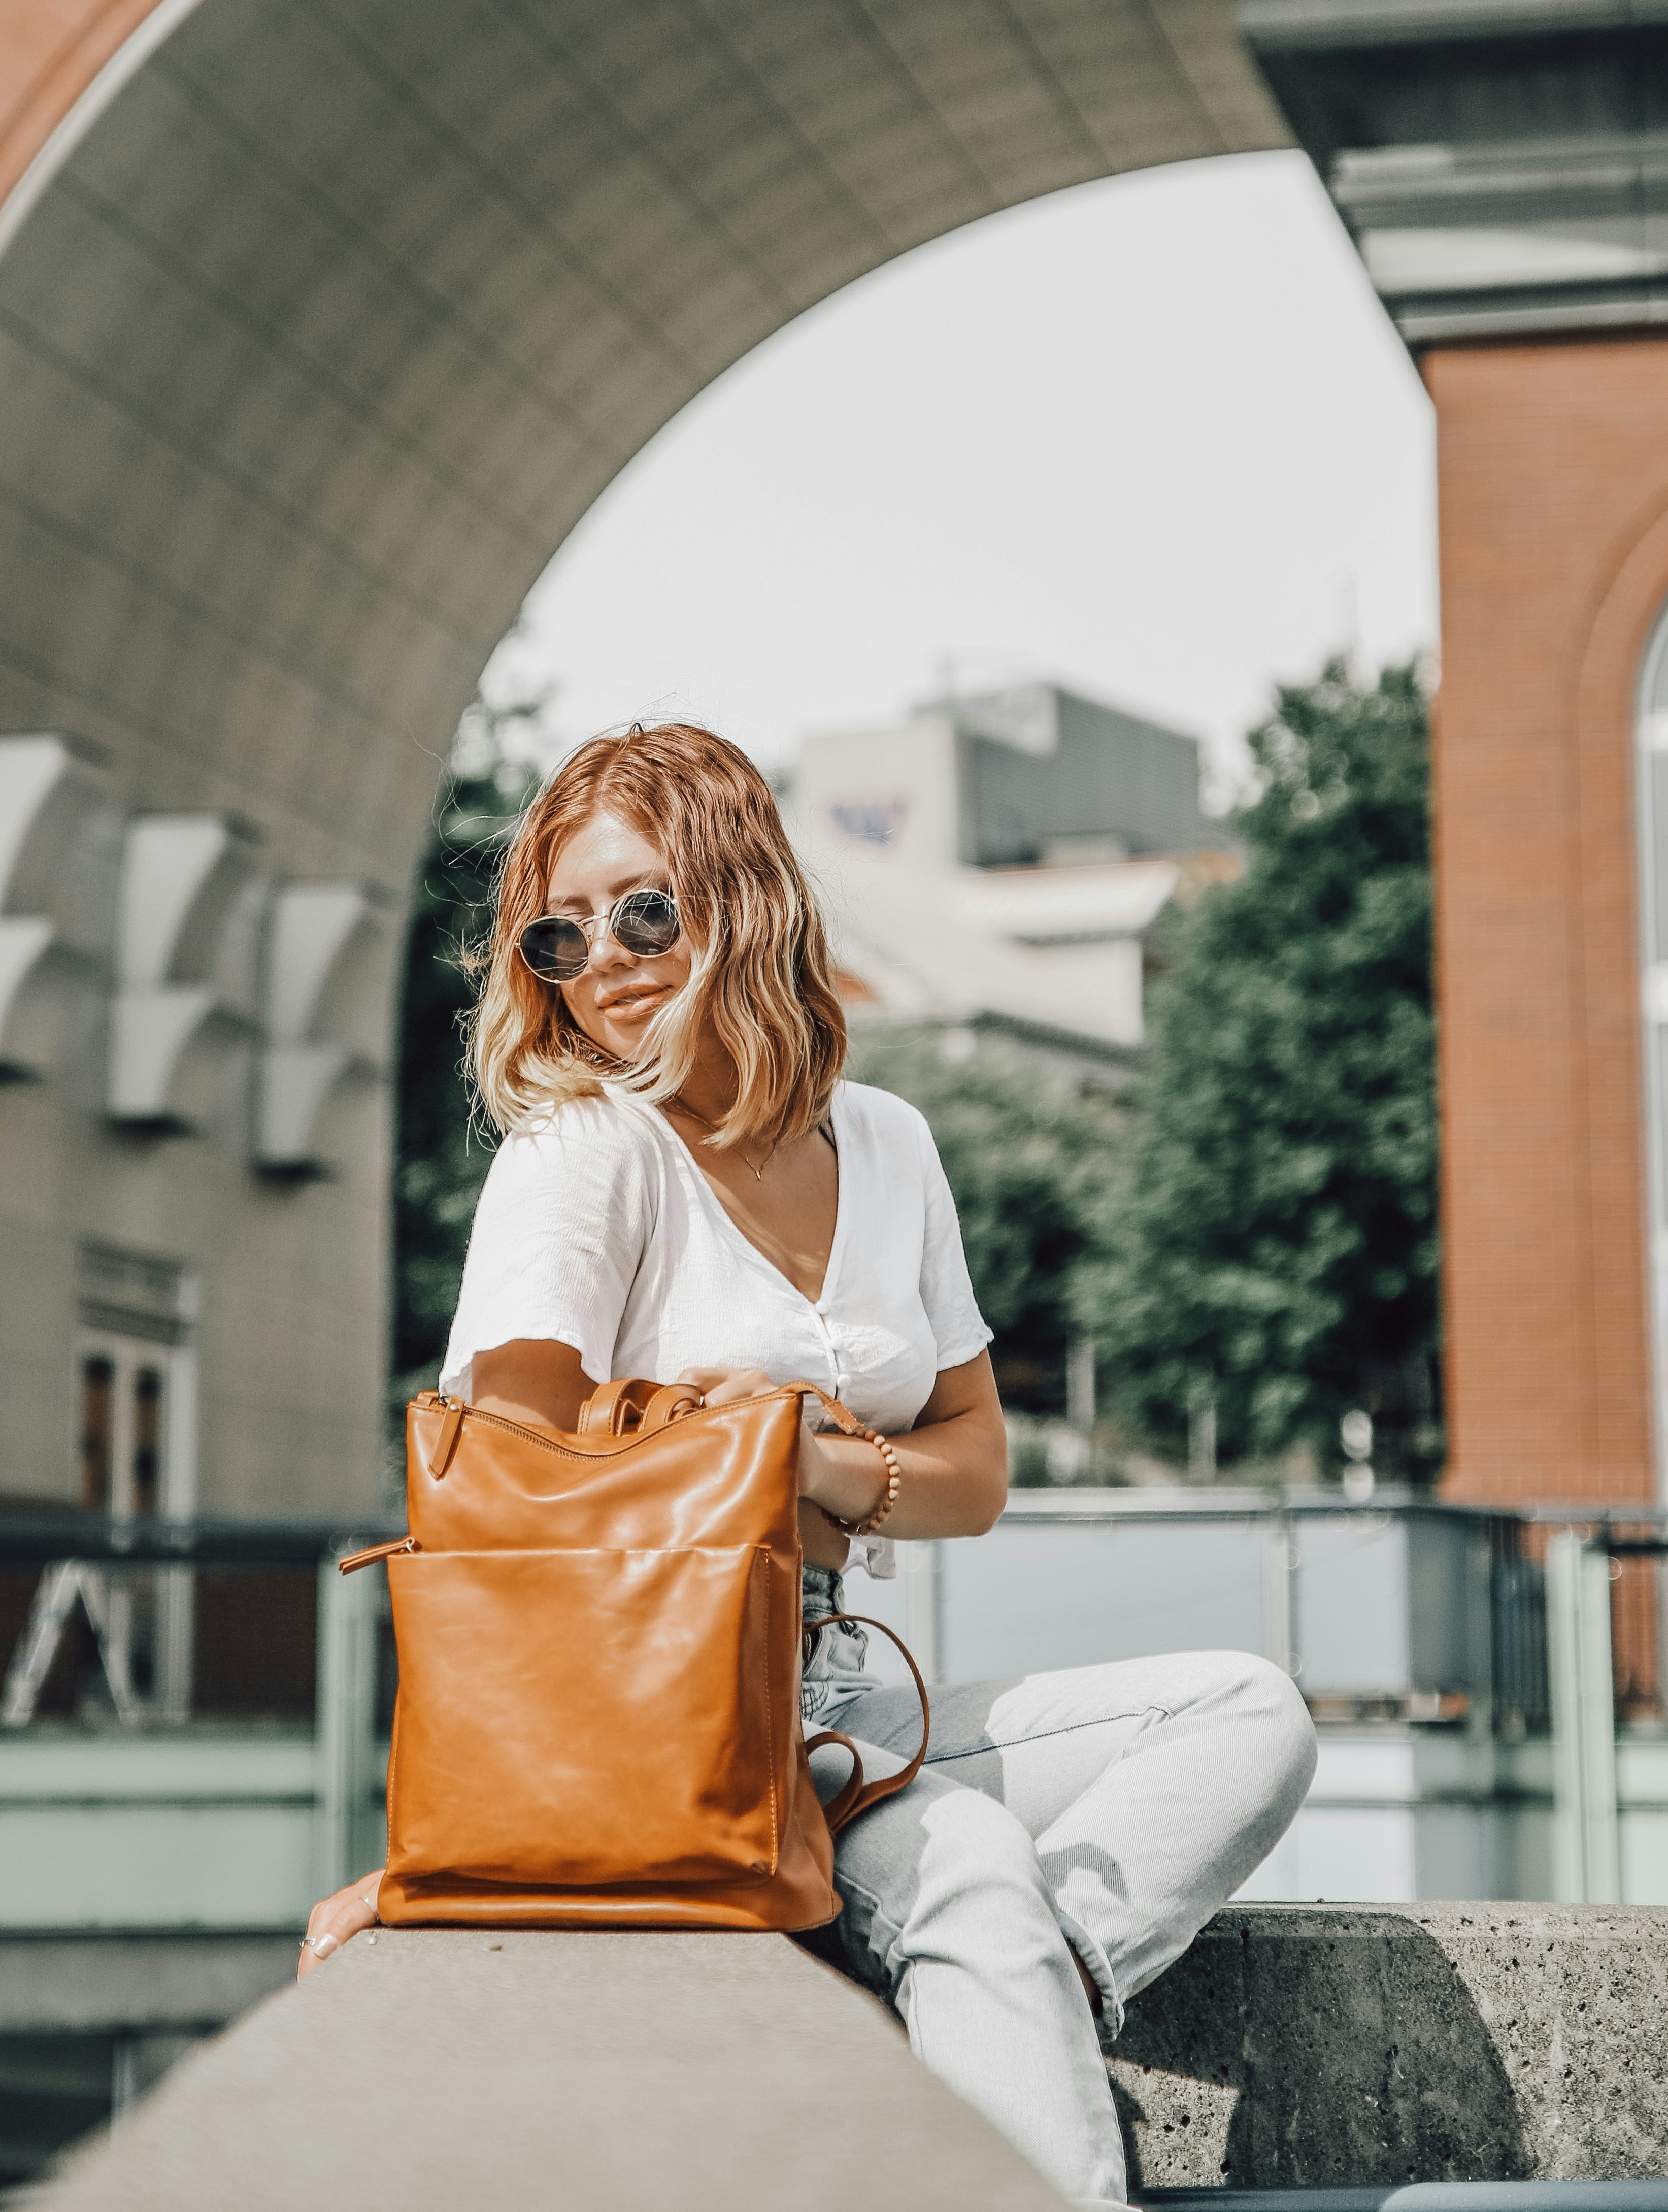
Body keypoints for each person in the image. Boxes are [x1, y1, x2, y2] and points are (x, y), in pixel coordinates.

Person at [301, 723, 1314, 2209]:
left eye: (648, 908)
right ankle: (986, 2007)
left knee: (1249, 1712)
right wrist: (723, 1451)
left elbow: (976, 1468)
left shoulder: (890, 1146)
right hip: (672, 1711)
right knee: (968, 1859)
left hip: (851, 1695)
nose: (608, 958)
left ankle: (1003, 1993)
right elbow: (503, 1489)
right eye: (560, 932)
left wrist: (822, 1461)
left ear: (745, 899)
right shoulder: (585, 1150)